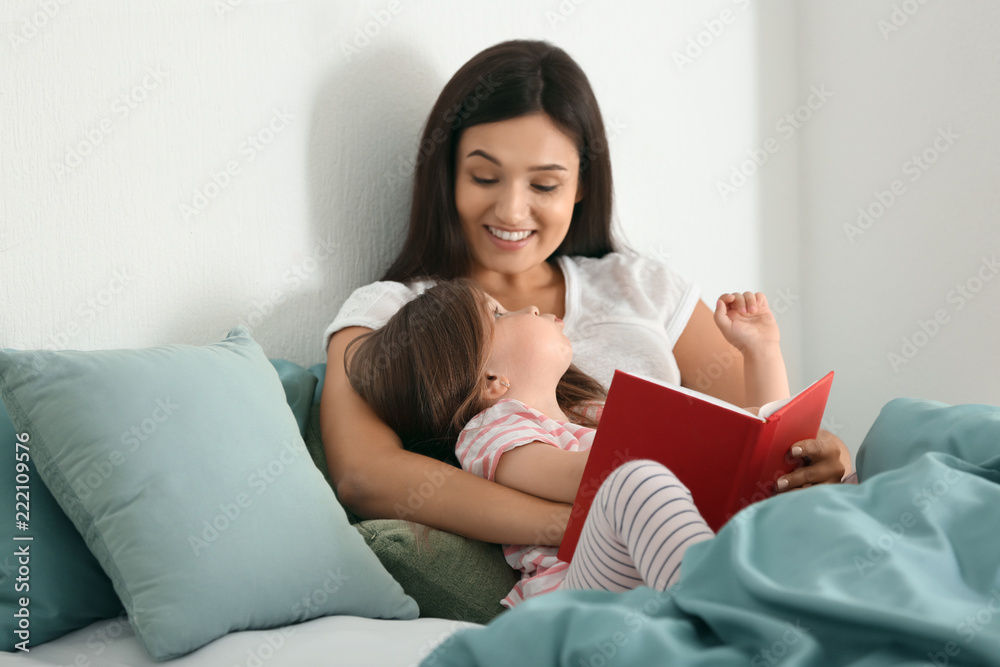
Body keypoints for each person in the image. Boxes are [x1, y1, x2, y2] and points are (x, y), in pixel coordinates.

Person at [320, 39, 850, 548]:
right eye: (484, 177)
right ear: (447, 174)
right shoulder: (394, 311)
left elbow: (767, 428)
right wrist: (588, 523)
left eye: (544, 185)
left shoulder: (642, 286)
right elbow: (367, 476)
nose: (510, 210)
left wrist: (826, 457)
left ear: (582, 186)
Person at [344, 279, 790, 606]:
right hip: (578, 597)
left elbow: (764, 432)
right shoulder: (491, 432)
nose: (529, 310)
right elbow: (590, 479)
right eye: (499, 315)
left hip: (645, 579)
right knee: (634, 481)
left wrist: (760, 351)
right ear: (491, 380)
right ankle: (734, 613)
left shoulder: (592, 415)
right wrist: (698, 438)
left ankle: (749, 606)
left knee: (777, 489)